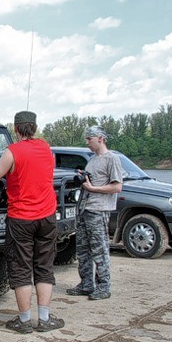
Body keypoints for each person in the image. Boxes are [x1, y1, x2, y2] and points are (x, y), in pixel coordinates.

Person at [0, 111, 64, 334]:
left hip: (21, 218)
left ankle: (23, 321)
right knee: (44, 266)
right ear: (34, 127)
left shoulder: (12, 151)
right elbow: (25, 170)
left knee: (21, 268)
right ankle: (44, 318)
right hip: (47, 216)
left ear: (15, 129)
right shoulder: (45, 148)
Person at [67, 125, 123, 300]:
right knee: (82, 249)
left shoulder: (111, 159)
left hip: (99, 210)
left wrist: (94, 188)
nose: (87, 142)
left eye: (89, 139)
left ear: (100, 138)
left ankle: (104, 286)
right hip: (85, 208)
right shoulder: (93, 159)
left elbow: (117, 186)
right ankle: (86, 284)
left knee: (99, 249)